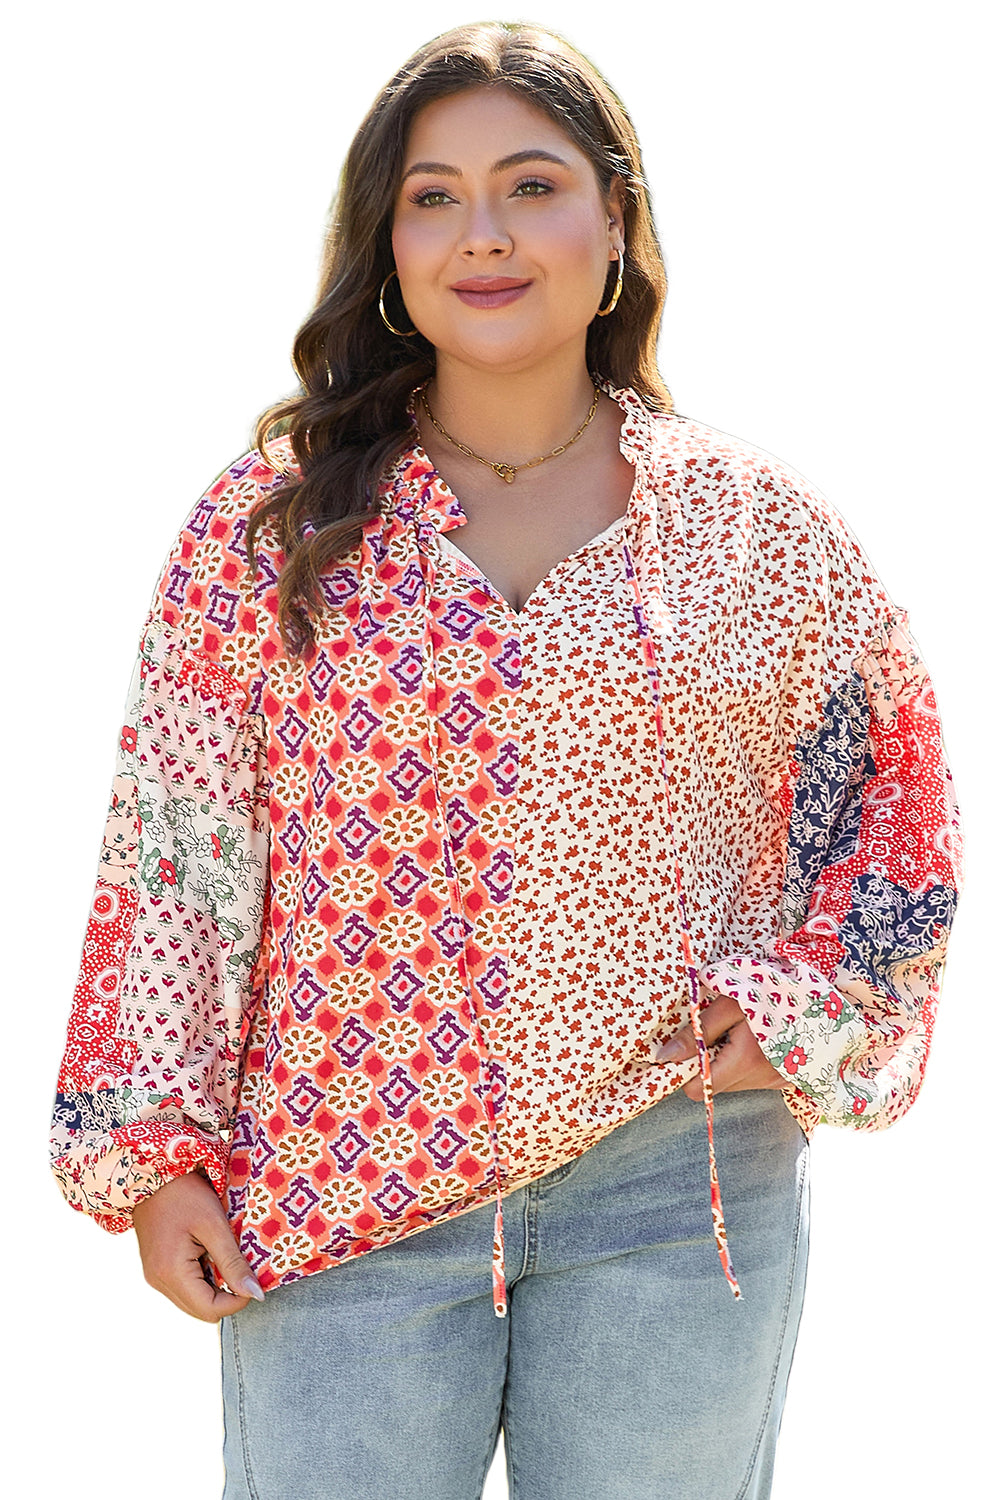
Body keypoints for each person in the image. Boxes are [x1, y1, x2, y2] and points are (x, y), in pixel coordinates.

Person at [48, 19, 964, 1500]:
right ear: (387, 247)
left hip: (675, 1191)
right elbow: (176, 852)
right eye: (434, 197)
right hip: (338, 1189)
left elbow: (894, 815)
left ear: (615, 221)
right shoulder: (272, 527)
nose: (483, 233)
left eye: (531, 186)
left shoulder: (753, 530)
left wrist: (802, 1010)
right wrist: (152, 1155)